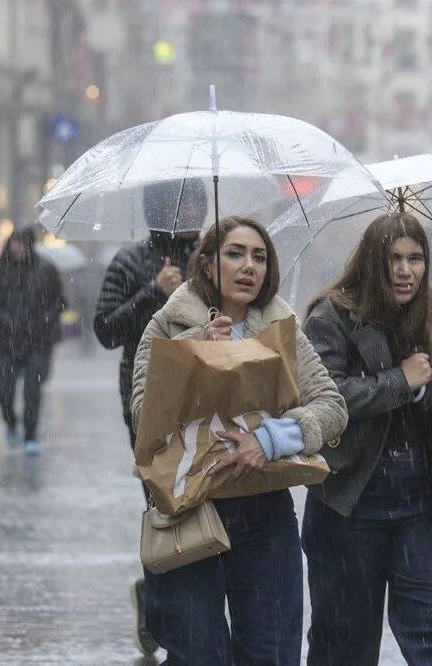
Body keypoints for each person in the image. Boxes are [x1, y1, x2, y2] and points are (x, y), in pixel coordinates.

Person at [302, 211, 432, 666]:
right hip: (350, 505)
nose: (405, 271)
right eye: (393, 258)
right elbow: (325, 398)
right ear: (372, 263)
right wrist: (399, 381)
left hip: (425, 507)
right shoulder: (332, 317)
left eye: (415, 258)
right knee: (344, 644)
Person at [131, 216, 347, 665]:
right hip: (189, 513)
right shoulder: (168, 325)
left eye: (259, 257)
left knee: (272, 653)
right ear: (208, 264)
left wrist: (269, 440)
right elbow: (143, 418)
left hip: (265, 511)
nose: (248, 266)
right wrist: (196, 351)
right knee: (198, 656)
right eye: (235, 254)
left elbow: (331, 406)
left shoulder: (281, 326)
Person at [93, 179, 206, 656]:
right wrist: (151, 292)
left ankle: (190, 607)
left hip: (203, 398)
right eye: (187, 203)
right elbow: (105, 329)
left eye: (200, 202)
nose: (195, 211)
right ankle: (160, 603)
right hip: (147, 404)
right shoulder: (130, 262)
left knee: (203, 504)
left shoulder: (210, 259)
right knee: (164, 504)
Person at [0, 227, 64, 455]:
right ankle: (11, 423)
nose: (17, 248)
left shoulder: (46, 269)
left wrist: (43, 320)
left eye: (21, 243)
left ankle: (30, 435)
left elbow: (60, 302)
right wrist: (4, 320)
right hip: (8, 341)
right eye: (14, 242)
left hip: (37, 342)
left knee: (31, 391)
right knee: (4, 392)